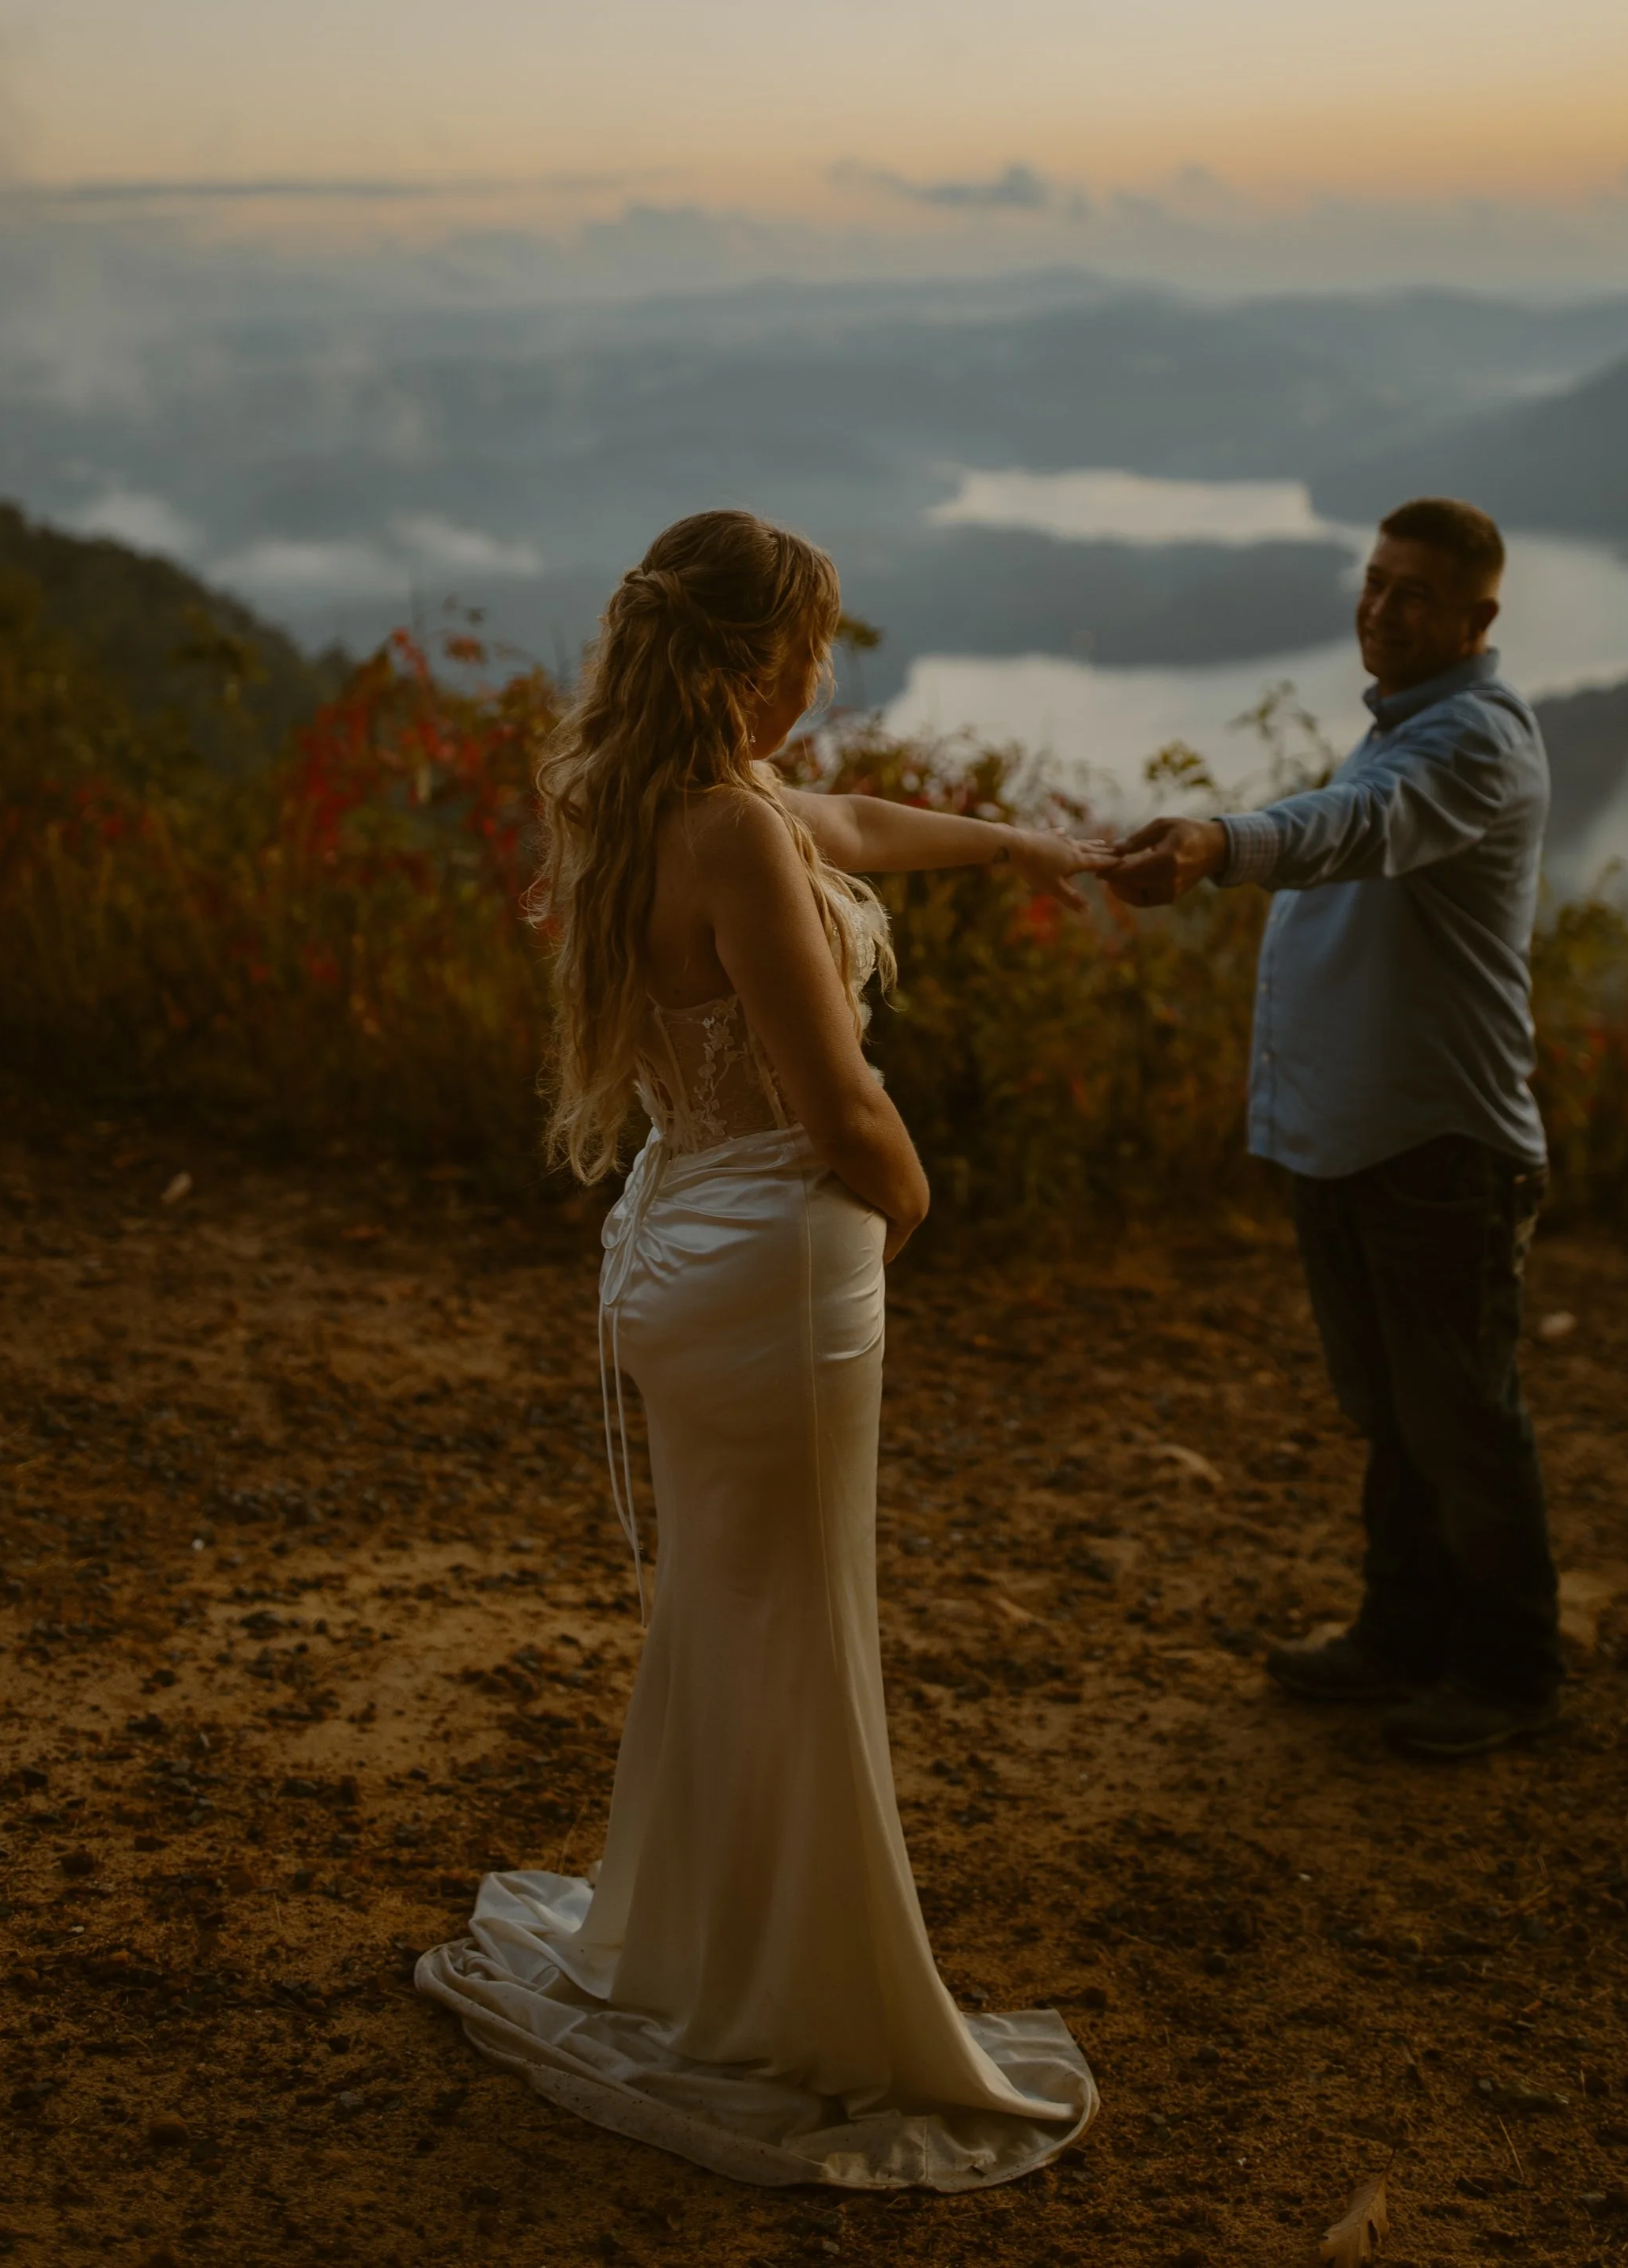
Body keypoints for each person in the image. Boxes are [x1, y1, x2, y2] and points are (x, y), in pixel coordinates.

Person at [416, 509, 1106, 2190]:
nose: (822, 671)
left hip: (672, 1255)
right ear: (749, 659)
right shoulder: (726, 825)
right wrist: (907, 1197)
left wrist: (1027, 853)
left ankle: (693, 1944)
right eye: (813, 644)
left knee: (727, 1614)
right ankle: (805, 2001)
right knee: (800, 1630)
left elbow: (847, 823)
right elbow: (833, 1095)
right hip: (771, 1274)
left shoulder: (640, 799)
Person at [1102, 497, 1561, 1761]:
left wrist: (1215, 839)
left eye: (1414, 593)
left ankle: (1513, 1667)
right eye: (1373, 581)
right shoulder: (1405, 727)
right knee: (1396, 1407)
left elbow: (1352, 832)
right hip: (1361, 1139)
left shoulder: (1470, 744)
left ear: (1480, 618)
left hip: (1440, 1142)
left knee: (1461, 1409)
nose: (1380, 607)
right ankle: (1403, 1634)